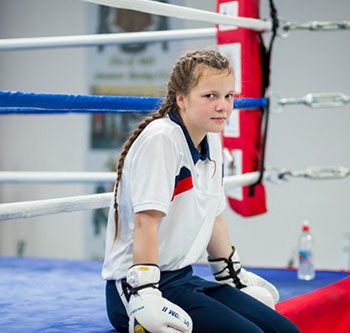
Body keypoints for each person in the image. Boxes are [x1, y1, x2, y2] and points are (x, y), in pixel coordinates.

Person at [102, 49, 299, 333]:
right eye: (210, 96)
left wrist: (230, 274)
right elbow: (147, 222)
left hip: (182, 279)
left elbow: (213, 214)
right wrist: (145, 292)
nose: (223, 106)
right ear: (181, 99)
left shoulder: (211, 137)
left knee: (285, 330)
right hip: (136, 286)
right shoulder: (162, 140)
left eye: (229, 96)